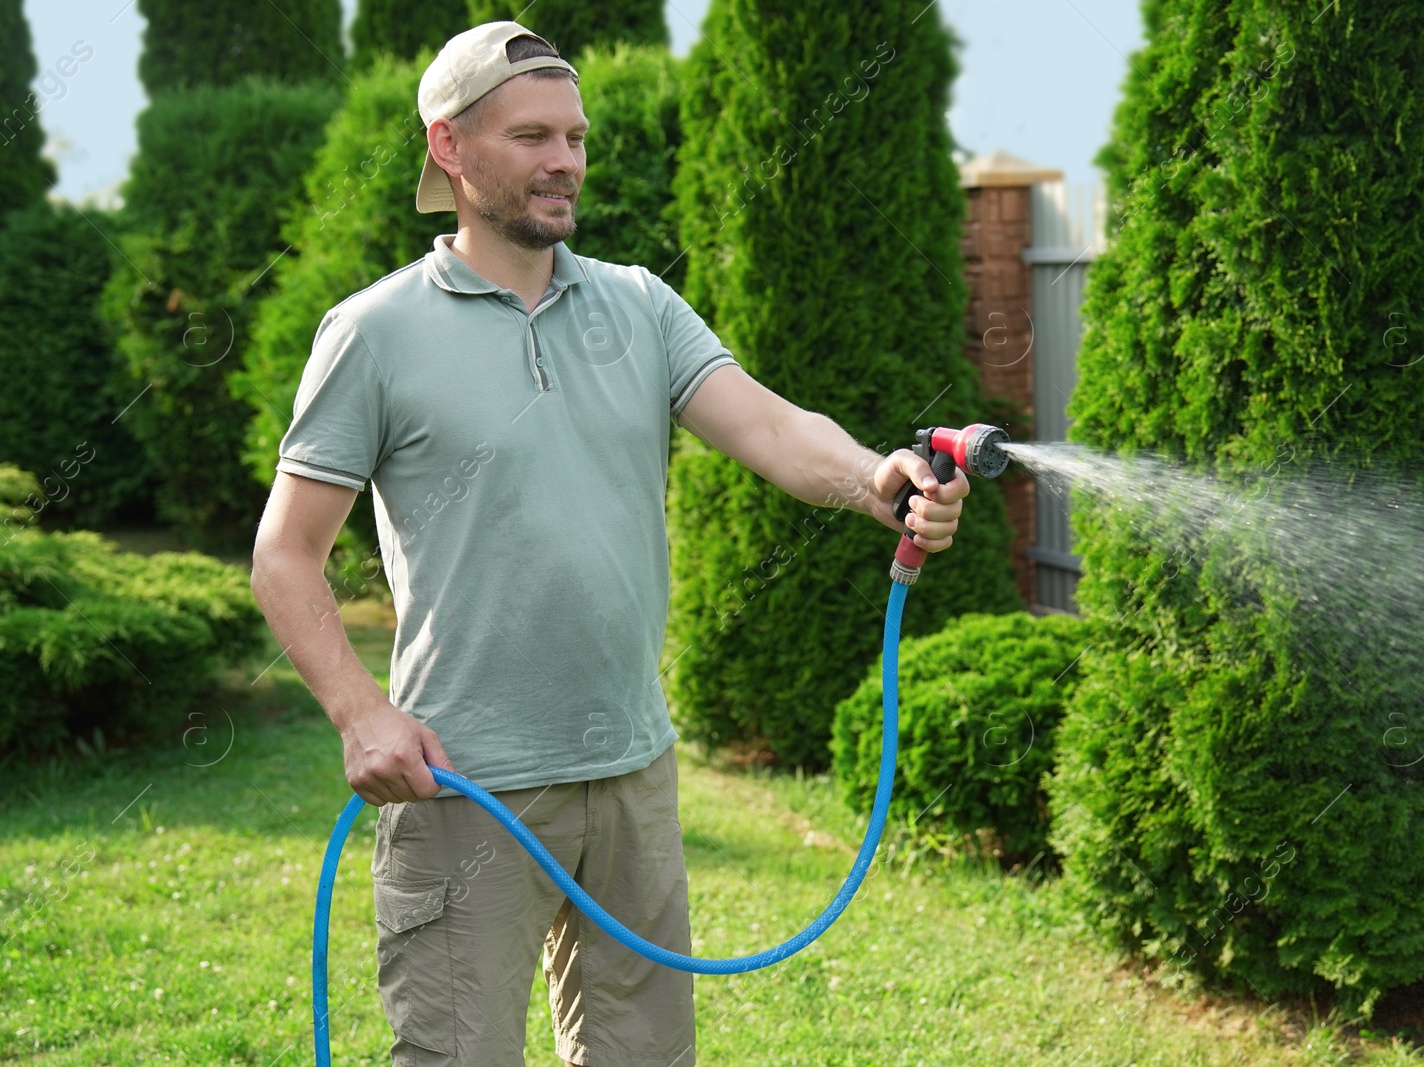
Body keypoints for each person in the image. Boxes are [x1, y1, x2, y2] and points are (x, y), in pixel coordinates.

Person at [249, 21, 971, 1067]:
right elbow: (285, 553)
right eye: (532, 135)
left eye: (576, 136)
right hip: (466, 783)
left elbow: (770, 426)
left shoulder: (638, 304)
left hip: (632, 768)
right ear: (449, 148)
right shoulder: (376, 330)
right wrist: (360, 711)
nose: (565, 161)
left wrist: (874, 478)